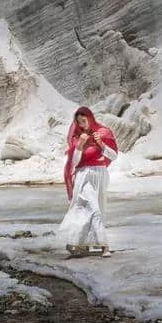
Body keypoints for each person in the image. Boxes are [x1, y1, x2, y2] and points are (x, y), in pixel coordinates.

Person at [57, 106, 119, 258]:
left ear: (90, 118)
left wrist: (101, 145)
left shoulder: (103, 133)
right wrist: (79, 146)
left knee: (94, 210)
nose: (82, 125)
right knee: (94, 209)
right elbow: (74, 163)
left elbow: (114, 156)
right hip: (84, 176)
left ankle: (77, 243)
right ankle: (105, 246)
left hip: (100, 174)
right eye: (79, 122)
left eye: (84, 121)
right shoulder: (77, 138)